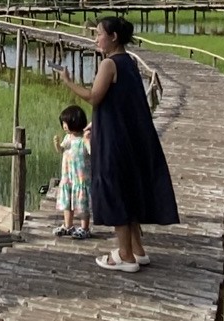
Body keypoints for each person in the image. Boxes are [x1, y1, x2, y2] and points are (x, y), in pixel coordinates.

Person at [56, 16, 179, 273]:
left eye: (99, 34)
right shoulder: (129, 62)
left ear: (113, 37)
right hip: (128, 136)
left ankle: (124, 256)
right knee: (128, 189)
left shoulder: (109, 64)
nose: (95, 38)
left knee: (115, 190)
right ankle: (137, 250)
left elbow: (94, 97)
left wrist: (68, 82)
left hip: (114, 140)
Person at [52, 104, 92, 239]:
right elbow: (61, 150)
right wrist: (57, 144)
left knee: (82, 204)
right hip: (67, 177)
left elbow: (93, 152)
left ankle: (85, 228)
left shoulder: (84, 139)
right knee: (67, 203)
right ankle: (68, 226)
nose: (63, 126)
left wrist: (88, 139)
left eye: (65, 123)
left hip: (81, 178)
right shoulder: (67, 138)